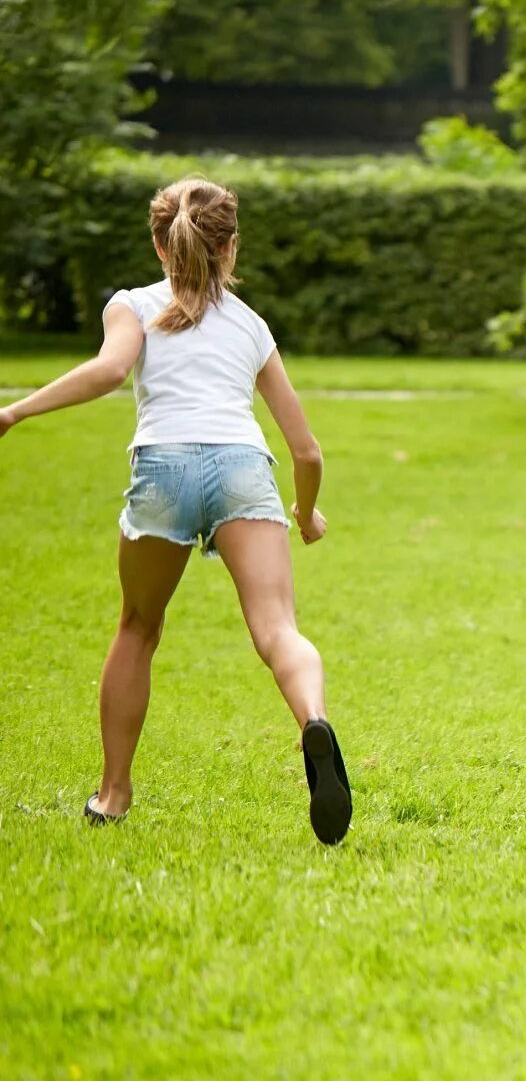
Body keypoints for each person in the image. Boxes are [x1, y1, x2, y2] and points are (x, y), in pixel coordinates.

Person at [0, 177, 352, 844]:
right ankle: (312, 721)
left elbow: (107, 374)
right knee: (278, 629)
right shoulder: (251, 327)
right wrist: (305, 516)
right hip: (243, 467)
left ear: (159, 243)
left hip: (163, 468)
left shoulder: (132, 306)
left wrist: (15, 411)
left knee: (137, 627)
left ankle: (113, 794)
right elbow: (306, 451)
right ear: (231, 247)